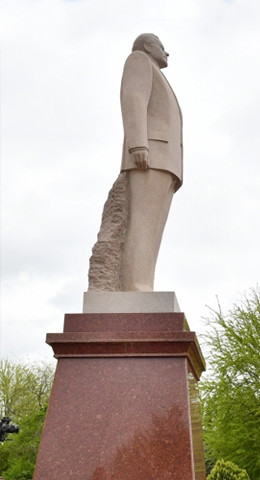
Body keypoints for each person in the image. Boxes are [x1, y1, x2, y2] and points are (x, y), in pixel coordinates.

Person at [89, 33, 183, 292]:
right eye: (163, 47)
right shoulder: (139, 60)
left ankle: (143, 286)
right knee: (141, 224)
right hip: (149, 155)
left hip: (166, 161)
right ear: (149, 46)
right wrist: (138, 144)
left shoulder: (156, 71)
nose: (167, 53)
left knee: (153, 231)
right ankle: (135, 287)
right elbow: (134, 100)